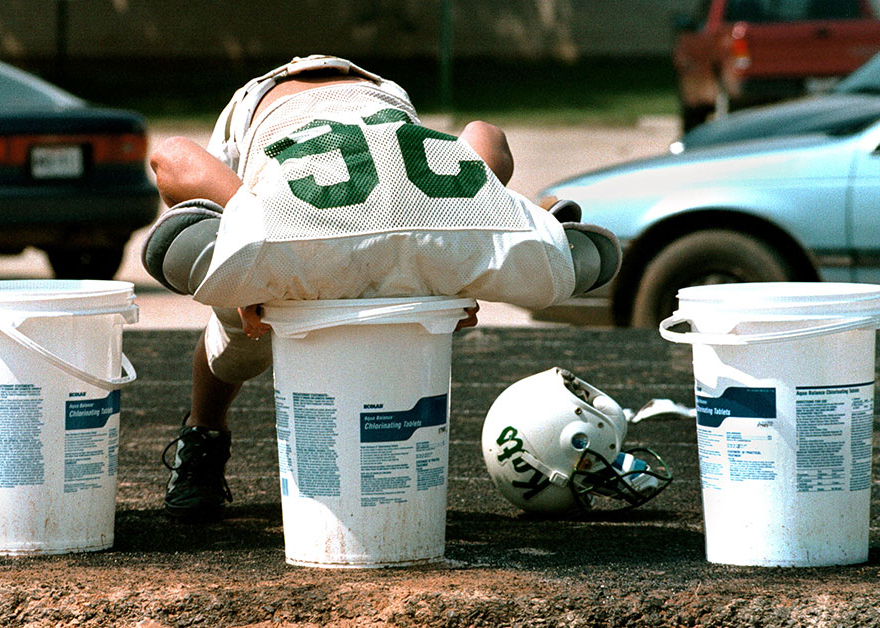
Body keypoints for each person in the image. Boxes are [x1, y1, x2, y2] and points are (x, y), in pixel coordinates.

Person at [146, 55, 619, 522]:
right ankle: (204, 431)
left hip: (346, 121)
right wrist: (245, 238)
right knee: (238, 343)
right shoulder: (323, 249)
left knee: (249, 321)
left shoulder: (334, 253)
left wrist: (248, 246)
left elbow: (484, 136)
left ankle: (205, 430)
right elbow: (169, 155)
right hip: (291, 109)